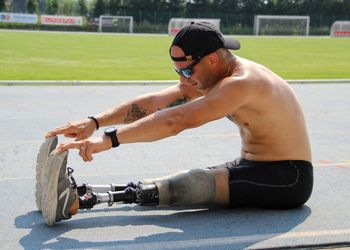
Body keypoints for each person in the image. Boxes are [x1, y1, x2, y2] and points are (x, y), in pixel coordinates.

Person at [37, 22, 313, 227]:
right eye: (177, 71)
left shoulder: (241, 84)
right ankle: (77, 195)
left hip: (288, 177)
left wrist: (106, 140)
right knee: (182, 181)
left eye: (186, 71)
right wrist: (94, 122)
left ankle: (75, 203)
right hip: (251, 164)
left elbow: (175, 120)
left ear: (213, 59)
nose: (183, 80)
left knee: (190, 184)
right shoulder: (214, 74)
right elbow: (155, 104)